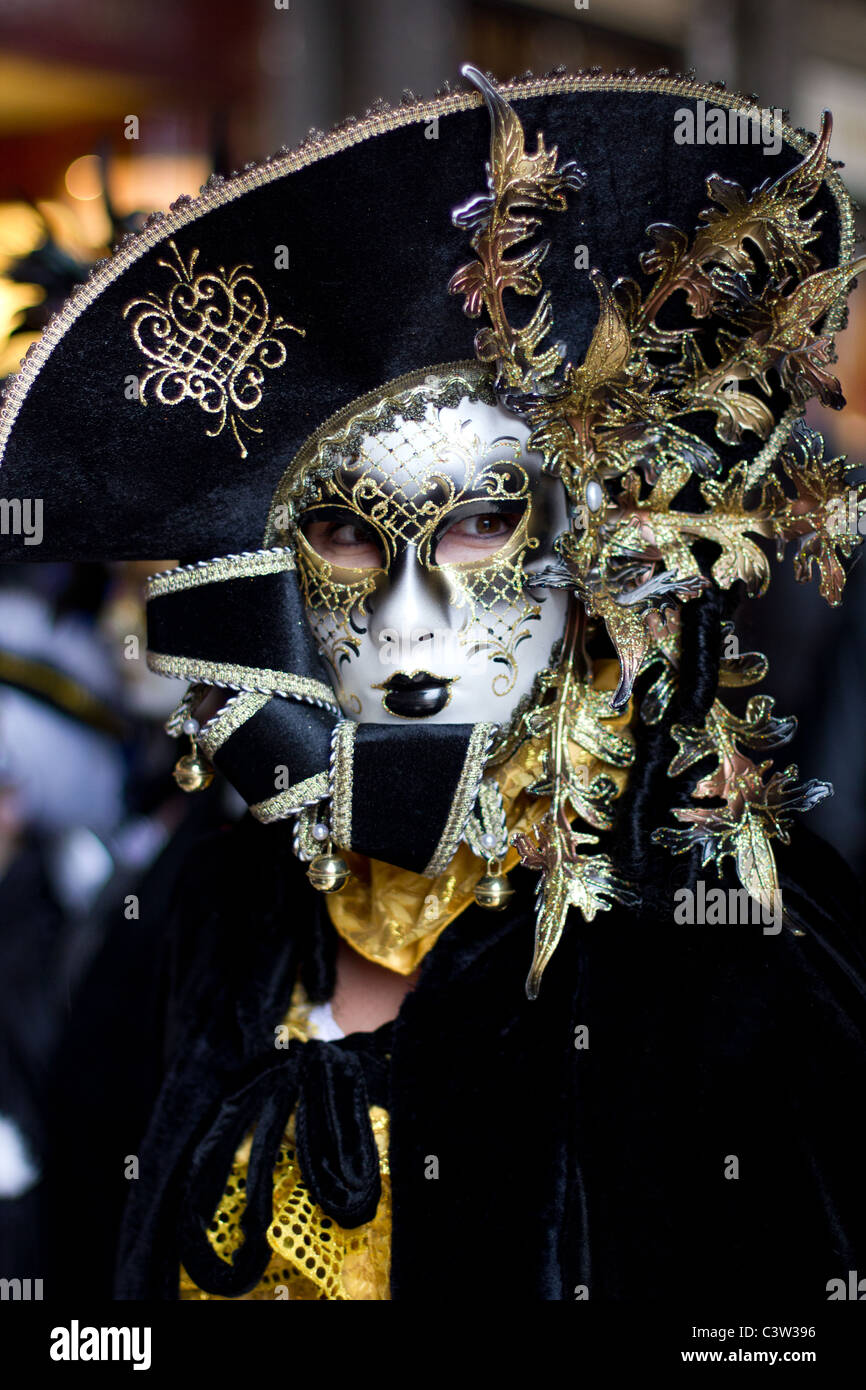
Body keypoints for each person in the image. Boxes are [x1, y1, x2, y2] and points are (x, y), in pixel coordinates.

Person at [1, 65, 865, 1303]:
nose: (409, 616)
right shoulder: (213, 915)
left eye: (477, 527)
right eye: (349, 539)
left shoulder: (735, 962)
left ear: (589, 545)